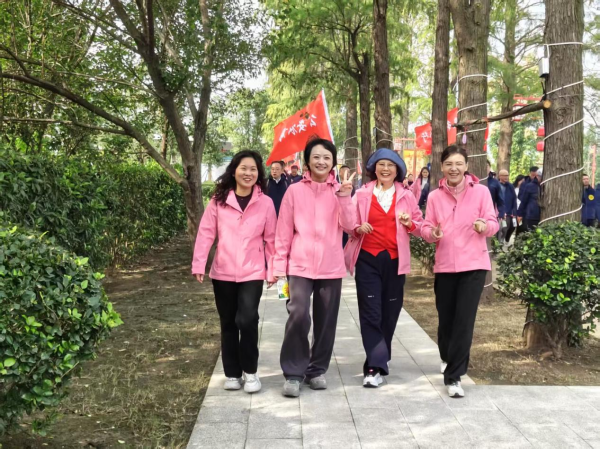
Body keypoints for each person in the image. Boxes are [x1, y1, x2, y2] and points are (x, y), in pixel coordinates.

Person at [274, 138, 356, 398]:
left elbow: (351, 226)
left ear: (333, 162)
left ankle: (317, 369)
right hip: (299, 265)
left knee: (326, 320)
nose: (322, 162)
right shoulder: (294, 191)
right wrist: (279, 266)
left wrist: (345, 197)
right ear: (307, 161)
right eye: (316, 157)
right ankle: (293, 373)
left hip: (331, 265)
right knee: (298, 314)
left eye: (327, 158)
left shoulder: (340, 190)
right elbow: (283, 231)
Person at [192, 150, 277, 394]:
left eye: (253, 169)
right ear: (234, 171)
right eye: (243, 168)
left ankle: (250, 371)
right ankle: (232, 373)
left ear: (259, 173)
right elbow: (206, 232)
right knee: (228, 322)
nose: (248, 173)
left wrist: (273, 269)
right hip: (223, 272)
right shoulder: (218, 201)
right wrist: (199, 263)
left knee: (247, 319)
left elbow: (271, 239)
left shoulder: (265, 203)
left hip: (253, 271)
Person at [421, 145, 499, 398]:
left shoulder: (482, 192)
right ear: (442, 167)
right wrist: (432, 233)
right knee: (446, 320)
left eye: (458, 164)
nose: (453, 168)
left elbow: (493, 223)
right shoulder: (435, 196)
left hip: (474, 266)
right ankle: (447, 357)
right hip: (445, 266)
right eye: (449, 164)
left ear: (466, 166)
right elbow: (426, 228)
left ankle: (454, 377)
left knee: (464, 321)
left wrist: (483, 225)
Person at [343, 148, 422, 388]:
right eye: (381, 164)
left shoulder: (407, 196)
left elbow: (420, 225)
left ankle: (380, 356)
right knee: (371, 312)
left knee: (390, 312)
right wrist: (358, 228)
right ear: (373, 168)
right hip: (368, 259)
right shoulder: (361, 194)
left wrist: (410, 224)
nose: (385, 169)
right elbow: (347, 223)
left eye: (390, 165)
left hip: (395, 261)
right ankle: (373, 367)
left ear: (398, 170)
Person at [498, 169, 517, 248]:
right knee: (501, 229)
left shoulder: (510, 186)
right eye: (504, 175)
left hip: (509, 212)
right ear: (500, 176)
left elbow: (514, 199)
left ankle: (504, 241)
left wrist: (514, 212)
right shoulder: (497, 185)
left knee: (509, 227)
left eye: (507, 175)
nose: (506, 177)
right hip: (499, 212)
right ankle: (499, 244)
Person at [339, 164, 357, 248]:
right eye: (345, 171)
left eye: (349, 172)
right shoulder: (334, 185)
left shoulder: (351, 187)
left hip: (347, 218)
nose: (348, 174)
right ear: (340, 172)